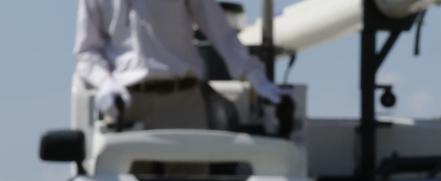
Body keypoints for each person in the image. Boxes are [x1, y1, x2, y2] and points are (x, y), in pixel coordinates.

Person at [75, 0, 284, 129]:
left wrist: (252, 72)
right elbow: (86, 52)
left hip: (183, 100)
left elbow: (220, 31)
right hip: (127, 104)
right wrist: (105, 81)